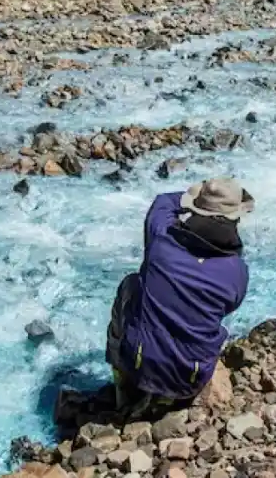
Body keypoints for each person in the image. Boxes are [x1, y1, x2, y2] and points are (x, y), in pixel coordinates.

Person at [106, 178, 252, 421]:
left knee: (131, 285)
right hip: (190, 378)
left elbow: (163, 202)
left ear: (195, 210)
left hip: (141, 365)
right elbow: (229, 306)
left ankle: (123, 384)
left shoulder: (161, 241)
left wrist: (192, 197)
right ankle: (167, 400)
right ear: (235, 219)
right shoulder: (237, 272)